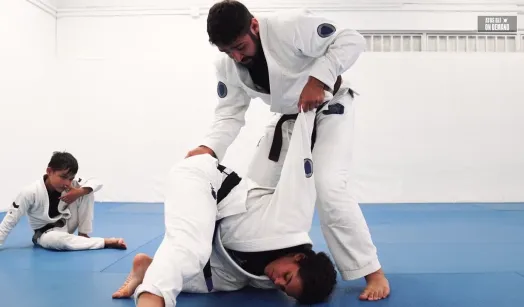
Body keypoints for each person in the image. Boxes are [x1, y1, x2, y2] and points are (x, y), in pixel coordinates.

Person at [185, 0, 389, 301]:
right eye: (228, 51)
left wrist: (317, 79)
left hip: (330, 107)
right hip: (289, 121)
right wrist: (208, 148)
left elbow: (351, 40)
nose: (237, 56)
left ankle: (372, 271)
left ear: (254, 26)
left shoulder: (289, 26)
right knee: (250, 193)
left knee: (329, 186)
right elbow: (230, 113)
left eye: (240, 46)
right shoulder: (228, 65)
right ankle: (222, 263)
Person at [112, 111, 337, 306]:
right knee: (189, 249)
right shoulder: (290, 220)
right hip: (205, 182)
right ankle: (151, 298)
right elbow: (300, 164)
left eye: (283, 289)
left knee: (227, 283)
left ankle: (148, 268)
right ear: (298, 257)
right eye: (286, 277)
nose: (277, 282)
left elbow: (254, 278)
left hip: (221, 242)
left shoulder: (266, 280)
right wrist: (309, 110)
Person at [0, 151, 127, 251]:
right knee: (59, 241)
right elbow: (10, 221)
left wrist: (79, 192)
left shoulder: (71, 185)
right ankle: (104, 242)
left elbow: (97, 182)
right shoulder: (30, 192)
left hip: (67, 224)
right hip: (47, 234)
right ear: (49, 171)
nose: (67, 183)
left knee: (87, 191)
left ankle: (83, 235)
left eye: (71, 178)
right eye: (63, 177)